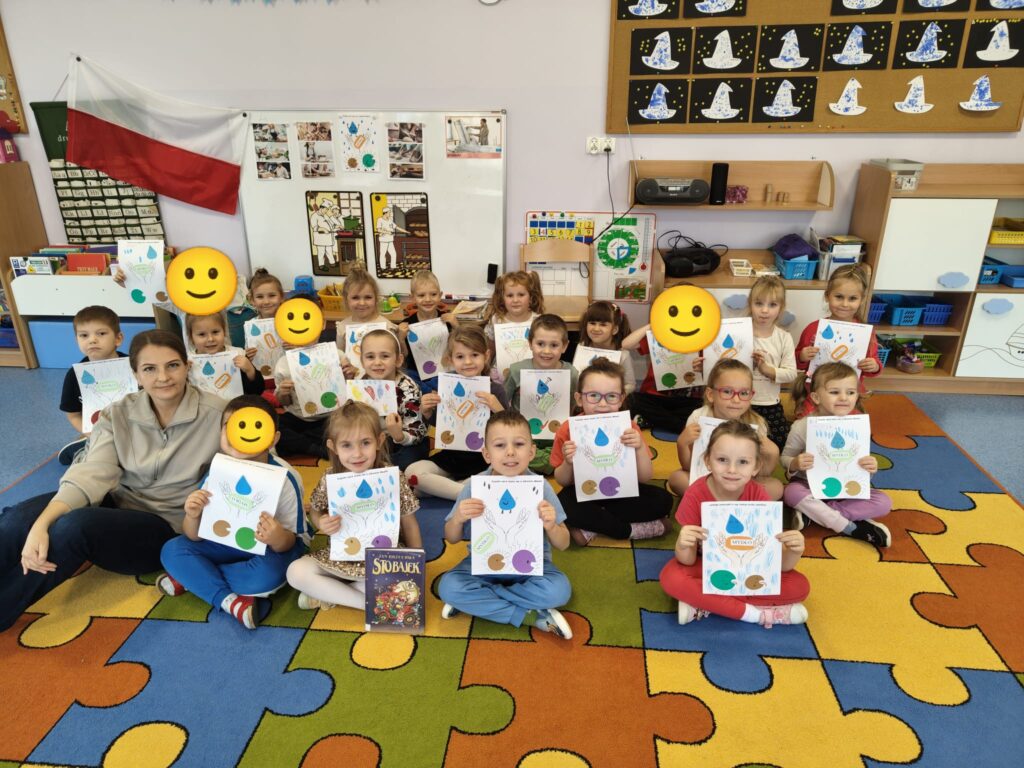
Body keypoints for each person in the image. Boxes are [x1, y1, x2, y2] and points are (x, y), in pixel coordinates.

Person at [1, 330, 226, 632]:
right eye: (150, 369)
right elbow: (93, 472)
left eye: (172, 365)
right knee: (18, 519)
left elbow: (256, 464)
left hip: (166, 528)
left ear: (187, 366)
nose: (163, 377)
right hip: (117, 503)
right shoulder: (118, 412)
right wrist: (41, 524)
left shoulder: (219, 413)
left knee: (73, 527)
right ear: (135, 374)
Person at [157, 395, 307, 629]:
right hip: (225, 543)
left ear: (273, 438)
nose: (242, 434)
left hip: (271, 549)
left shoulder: (285, 478)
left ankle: (194, 578)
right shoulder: (218, 472)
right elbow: (193, 536)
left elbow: (292, 541)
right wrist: (192, 515)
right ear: (221, 433)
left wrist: (276, 536)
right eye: (232, 426)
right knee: (171, 550)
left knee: (265, 577)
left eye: (257, 426)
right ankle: (229, 601)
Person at [660, 420, 810, 628]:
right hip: (706, 566)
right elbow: (687, 560)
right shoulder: (695, 493)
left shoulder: (758, 495)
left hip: (749, 568)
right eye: (722, 460)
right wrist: (683, 544)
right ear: (708, 461)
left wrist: (794, 551)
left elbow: (778, 564)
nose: (731, 469)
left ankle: (707, 605)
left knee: (799, 585)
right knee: (671, 577)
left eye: (743, 462)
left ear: (756, 467)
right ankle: (757, 613)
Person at [437, 411, 573, 639]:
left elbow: (564, 543)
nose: (510, 452)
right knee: (448, 587)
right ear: (486, 454)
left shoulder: (541, 487)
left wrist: (551, 526)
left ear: (531, 452)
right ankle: (529, 615)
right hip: (483, 565)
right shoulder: (474, 486)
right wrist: (458, 518)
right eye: (500, 445)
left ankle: (477, 600)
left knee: (559, 590)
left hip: (531, 567)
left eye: (519, 444)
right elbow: (451, 537)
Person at [287, 401, 422, 612]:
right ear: (333, 447)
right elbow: (315, 511)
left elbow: (410, 523)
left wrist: (416, 565)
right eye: (347, 445)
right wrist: (321, 522)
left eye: (365, 443)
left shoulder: (394, 477)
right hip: (342, 558)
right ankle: (374, 605)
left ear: (379, 441)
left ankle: (333, 594)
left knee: (404, 582)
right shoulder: (330, 477)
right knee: (295, 572)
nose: (357, 453)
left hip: (386, 560)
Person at [551, 358, 673, 545]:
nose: (602, 404)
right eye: (593, 396)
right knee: (561, 503)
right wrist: (568, 462)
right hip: (584, 493)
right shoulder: (568, 429)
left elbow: (645, 477)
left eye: (611, 396)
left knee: (663, 500)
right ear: (579, 399)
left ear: (621, 399)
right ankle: (630, 530)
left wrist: (640, 448)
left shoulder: (628, 428)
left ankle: (593, 527)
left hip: (622, 492)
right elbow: (562, 481)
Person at [782, 362, 892, 547]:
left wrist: (870, 468)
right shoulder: (802, 426)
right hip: (809, 486)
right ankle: (850, 527)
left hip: (846, 490)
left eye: (851, 392)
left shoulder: (857, 426)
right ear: (816, 397)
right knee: (791, 492)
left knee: (884, 502)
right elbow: (785, 458)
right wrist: (794, 463)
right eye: (834, 392)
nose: (844, 398)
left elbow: (858, 467)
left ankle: (815, 515)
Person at [406, 325, 508, 499]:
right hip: (450, 459)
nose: (468, 362)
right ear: (451, 359)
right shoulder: (446, 386)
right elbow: (443, 425)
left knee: (502, 475)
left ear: (486, 356)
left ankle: (443, 489)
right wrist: (427, 412)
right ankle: (464, 491)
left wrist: (498, 409)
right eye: (460, 356)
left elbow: (511, 429)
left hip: (486, 461)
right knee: (412, 472)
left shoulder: (496, 390)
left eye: (474, 355)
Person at [669, 359, 783, 500]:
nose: (736, 400)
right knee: (677, 479)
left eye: (744, 393)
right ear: (711, 395)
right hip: (707, 482)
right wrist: (682, 443)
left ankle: (715, 501)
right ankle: (730, 502)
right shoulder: (698, 417)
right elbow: (689, 467)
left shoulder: (756, 422)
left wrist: (772, 452)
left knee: (776, 487)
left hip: (740, 483)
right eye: (727, 391)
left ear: (751, 396)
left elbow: (762, 473)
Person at [795, 264, 881, 415]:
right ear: (827, 296)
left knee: (853, 425)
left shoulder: (866, 333)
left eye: (852, 298)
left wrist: (873, 366)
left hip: (848, 396)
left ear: (862, 299)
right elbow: (797, 361)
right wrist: (802, 356)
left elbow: (873, 364)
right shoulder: (814, 329)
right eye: (839, 297)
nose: (845, 304)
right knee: (808, 423)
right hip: (817, 394)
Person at [504, 314, 579, 474]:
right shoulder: (516, 370)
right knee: (511, 447)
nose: (546, 351)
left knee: (571, 451)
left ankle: (540, 462)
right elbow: (504, 402)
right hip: (524, 436)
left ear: (564, 346)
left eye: (554, 345)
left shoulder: (571, 373)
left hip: (557, 437)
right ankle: (547, 463)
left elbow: (573, 406)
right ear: (530, 343)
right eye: (540, 344)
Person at [57, 305, 127, 465]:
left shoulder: (135, 366)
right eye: (84, 335)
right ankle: (81, 450)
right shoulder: (74, 375)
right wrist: (90, 433)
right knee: (99, 465)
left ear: (118, 338)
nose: (92, 340)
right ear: (77, 340)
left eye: (101, 333)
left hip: (137, 431)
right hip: (100, 435)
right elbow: (73, 414)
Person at [356, 329, 428, 471]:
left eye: (385, 356)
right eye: (370, 357)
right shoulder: (360, 385)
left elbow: (417, 430)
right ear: (362, 361)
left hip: (404, 439)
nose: (377, 362)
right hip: (373, 440)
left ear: (398, 360)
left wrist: (399, 436)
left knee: (409, 460)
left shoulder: (408, 389)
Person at [621, 320, 704, 434]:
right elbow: (625, 344)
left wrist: (703, 369)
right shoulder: (660, 337)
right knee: (631, 400)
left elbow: (715, 373)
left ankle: (651, 420)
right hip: (654, 397)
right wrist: (652, 325)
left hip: (686, 399)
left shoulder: (703, 340)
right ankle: (681, 426)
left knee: (703, 407)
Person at [746, 276, 798, 451]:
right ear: (750, 304)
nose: (764, 310)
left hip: (769, 403)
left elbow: (791, 373)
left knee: (780, 444)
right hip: (740, 402)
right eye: (758, 303)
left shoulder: (784, 337)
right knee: (737, 440)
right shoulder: (740, 333)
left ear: (781, 308)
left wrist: (767, 370)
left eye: (772, 305)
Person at [336, 266, 402, 376]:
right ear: (346, 299)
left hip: (383, 380)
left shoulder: (387, 326)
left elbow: (395, 361)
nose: (362, 303)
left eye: (367, 297)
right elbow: (340, 359)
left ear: (376, 298)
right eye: (355, 298)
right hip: (354, 383)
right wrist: (346, 368)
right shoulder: (342, 327)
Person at [397, 269, 454, 394]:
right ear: (412, 297)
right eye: (421, 295)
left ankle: (437, 392)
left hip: (444, 371)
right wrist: (401, 338)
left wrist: (456, 325)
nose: (428, 299)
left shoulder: (447, 320)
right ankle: (431, 392)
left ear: (440, 295)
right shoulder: (407, 324)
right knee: (406, 375)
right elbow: (404, 357)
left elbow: (461, 346)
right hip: (417, 375)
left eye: (433, 294)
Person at [185, 312, 265, 395]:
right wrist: (184, 376)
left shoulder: (238, 354)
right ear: (191, 338)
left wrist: (250, 370)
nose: (210, 339)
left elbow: (257, 391)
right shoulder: (186, 362)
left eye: (215, 332)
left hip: (236, 402)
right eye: (202, 334)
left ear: (224, 332)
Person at [575, 300, 636, 395]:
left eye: (603, 325)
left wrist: (614, 395)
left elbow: (630, 384)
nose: (596, 329)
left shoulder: (623, 355)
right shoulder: (582, 346)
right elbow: (576, 376)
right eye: (592, 323)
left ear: (614, 329)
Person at [482, 270, 545, 348]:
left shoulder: (538, 321)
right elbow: (490, 348)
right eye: (510, 295)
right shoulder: (497, 320)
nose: (515, 300)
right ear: (502, 299)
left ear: (531, 298)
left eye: (521, 295)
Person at [309, 198, 341, 270]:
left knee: (329, 251)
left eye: (327, 209)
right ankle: (321, 265)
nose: (326, 211)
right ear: (321, 208)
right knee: (321, 252)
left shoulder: (325, 215)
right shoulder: (314, 216)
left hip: (328, 238)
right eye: (326, 209)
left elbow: (331, 224)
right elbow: (314, 227)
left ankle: (332, 263)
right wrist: (322, 229)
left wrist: (337, 226)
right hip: (320, 239)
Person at [375, 206, 410, 272]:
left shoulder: (390, 221)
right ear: (385, 213)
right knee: (383, 254)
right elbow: (378, 230)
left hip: (390, 240)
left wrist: (406, 232)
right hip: (384, 240)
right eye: (389, 212)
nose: (390, 214)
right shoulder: (380, 220)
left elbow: (397, 227)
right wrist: (387, 232)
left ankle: (393, 267)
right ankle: (383, 268)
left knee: (393, 254)